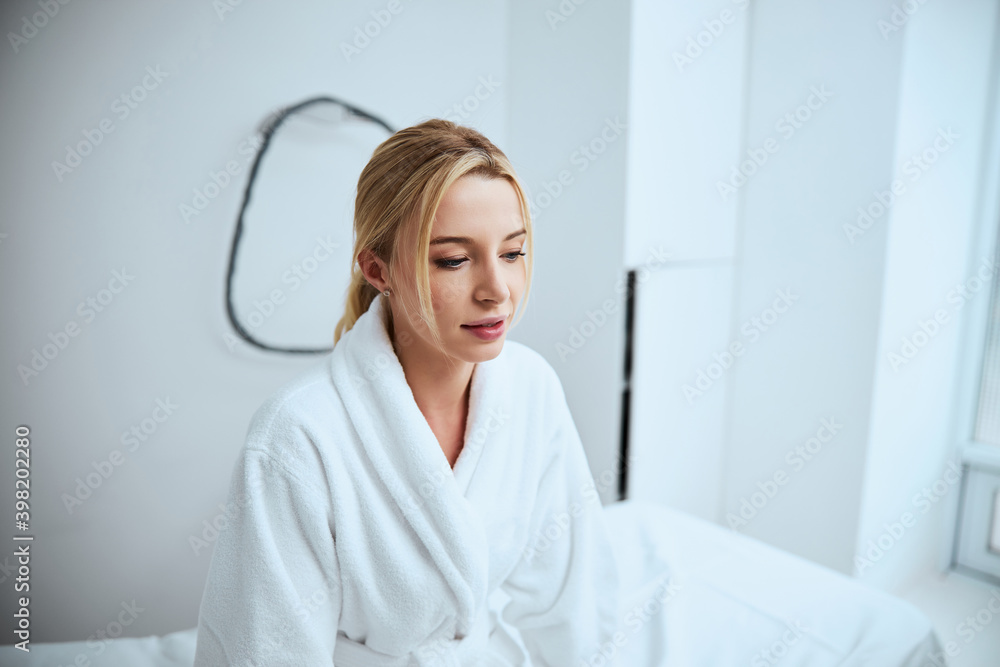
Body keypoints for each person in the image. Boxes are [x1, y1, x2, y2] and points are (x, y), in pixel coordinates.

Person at [193, 119, 621, 666]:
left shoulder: (531, 388)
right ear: (378, 269)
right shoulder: (296, 437)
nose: (497, 291)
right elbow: (265, 648)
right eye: (454, 260)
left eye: (512, 253)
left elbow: (573, 606)